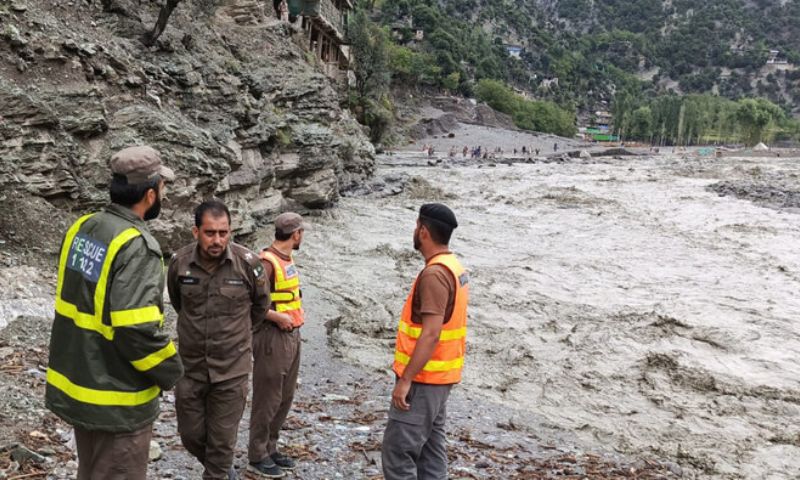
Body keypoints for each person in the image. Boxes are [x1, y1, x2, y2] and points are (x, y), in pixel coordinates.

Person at [45, 145, 184, 480]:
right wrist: (171, 370)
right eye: (162, 188)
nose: (163, 194)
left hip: (80, 384)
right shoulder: (136, 246)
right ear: (150, 194)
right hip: (117, 398)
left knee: (91, 470)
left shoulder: (84, 227)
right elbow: (135, 329)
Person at [167, 200, 269, 480]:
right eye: (210, 233)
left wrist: (235, 338)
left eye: (223, 232)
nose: (217, 240)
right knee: (190, 435)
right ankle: (221, 468)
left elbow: (260, 309)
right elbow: (179, 304)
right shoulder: (179, 263)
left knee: (222, 442)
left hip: (231, 371)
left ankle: (219, 472)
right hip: (191, 369)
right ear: (195, 232)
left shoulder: (248, 265)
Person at [381, 203, 470, 480]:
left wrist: (406, 379)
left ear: (423, 231)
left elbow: (431, 333)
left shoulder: (434, 274)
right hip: (441, 378)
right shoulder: (454, 267)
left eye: (415, 225)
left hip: (423, 379)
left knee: (398, 452)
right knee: (432, 450)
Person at [248, 213, 308, 478]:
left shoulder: (287, 259)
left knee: (285, 395)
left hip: (291, 334)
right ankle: (257, 455)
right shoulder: (267, 263)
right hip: (272, 336)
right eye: (301, 233)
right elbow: (249, 303)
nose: (302, 237)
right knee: (268, 397)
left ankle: (271, 447)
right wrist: (277, 317)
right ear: (295, 234)